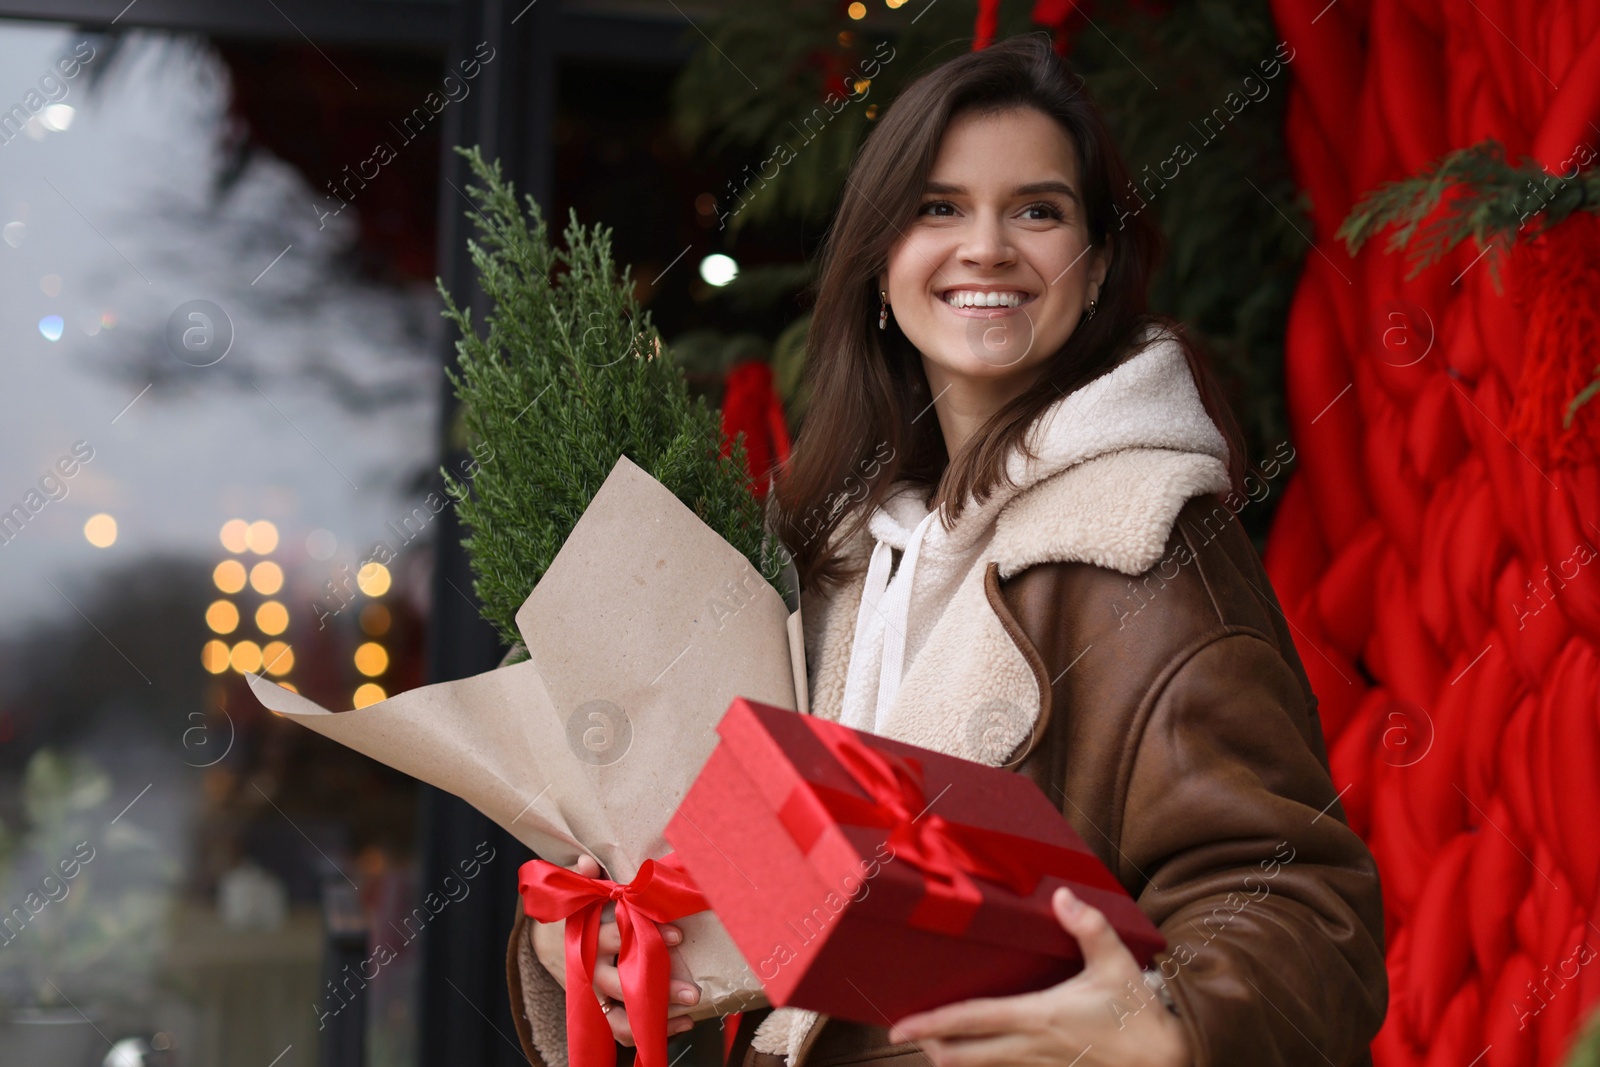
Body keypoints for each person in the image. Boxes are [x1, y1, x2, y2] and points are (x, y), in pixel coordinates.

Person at [508, 31, 1387, 1067]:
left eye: (1039, 211)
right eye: (939, 207)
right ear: (882, 267)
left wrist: (1167, 1025)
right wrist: (602, 945)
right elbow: (712, 877)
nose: (987, 247)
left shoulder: (1146, 539)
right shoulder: (812, 547)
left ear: (1096, 267)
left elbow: (1299, 895)